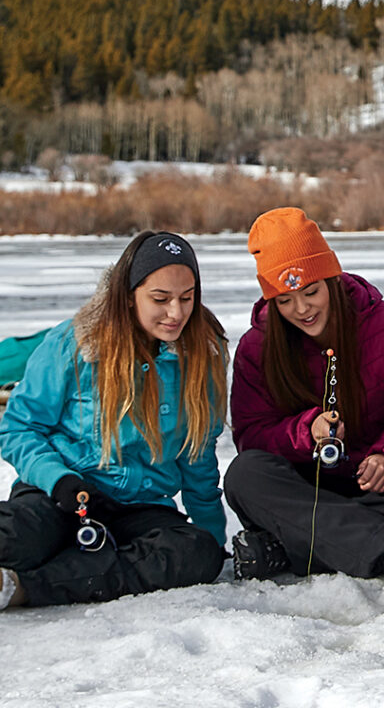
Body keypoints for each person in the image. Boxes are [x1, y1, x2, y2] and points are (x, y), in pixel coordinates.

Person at [0, 232, 227, 611]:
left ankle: (22, 586)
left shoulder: (203, 356)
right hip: (62, 495)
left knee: (195, 552)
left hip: (141, 508)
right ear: (128, 295)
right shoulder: (74, 344)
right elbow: (19, 427)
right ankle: (70, 564)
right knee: (22, 536)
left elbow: (197, 457)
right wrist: (57, 479)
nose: (176, 313)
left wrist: (213, 538)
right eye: (160, 299)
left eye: (187, 298)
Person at [225, 207, 384, 583]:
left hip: (370, 487)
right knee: (244, 477)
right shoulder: (255, 347)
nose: (302, 309)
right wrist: (304, 431)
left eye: (311, 292)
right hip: (297, 489)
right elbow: (251, 437)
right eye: (285, 300)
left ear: (332, 279)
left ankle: (289, 548)